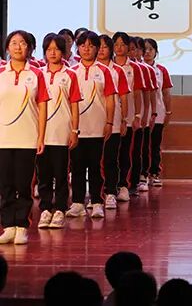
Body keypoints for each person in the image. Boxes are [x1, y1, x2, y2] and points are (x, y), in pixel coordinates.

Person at [0, 30, 49, 246]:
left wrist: (41, 136)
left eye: (22, 43)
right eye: (13, 43)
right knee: (5, 185)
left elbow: (42, 106)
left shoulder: (36, 74)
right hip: (3, 138)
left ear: (29, 48)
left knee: (23, 184)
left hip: (27, 137)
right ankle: (8, 227)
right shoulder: (1, 73)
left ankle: (21, 226)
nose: (18, 47)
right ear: (7, 47)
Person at [37, 33, 83, 228]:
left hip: (62, 132)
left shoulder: (70, 74)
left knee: (61, 174)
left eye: (56, 49)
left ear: (63, 52)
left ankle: (60, 210)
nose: (52, 53)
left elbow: (74, 105)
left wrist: (74, 130)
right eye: (49, 49)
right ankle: (45, 209)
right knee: (43, 174)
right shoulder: (38, 74)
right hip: (41, 134)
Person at [94, 34, 129, 209]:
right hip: (91, 123)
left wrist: (123, 120)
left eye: (105, 46)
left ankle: (110, 193)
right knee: (93, 161)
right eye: (98, 46)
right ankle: (94, 196)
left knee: (110, 159)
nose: (101, 50)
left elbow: (123, 97)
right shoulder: (88, 69)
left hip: (113, 121)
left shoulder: (117, 71)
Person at [111, 31, 146, 199]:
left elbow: (138, 93)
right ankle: (111, 187)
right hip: (110, 118)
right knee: (111, 154)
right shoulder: (107, 66)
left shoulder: (135, 68)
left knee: (126, 152)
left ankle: (125, 185)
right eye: (116, 44)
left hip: (129, 117)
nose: (119, 48)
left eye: (123, 45)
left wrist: (138, 115)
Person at [143, 38, 172, 187]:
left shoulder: (161, 70)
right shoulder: (138, 68)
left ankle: (154, 173)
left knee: (155, 144)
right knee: (142, 145)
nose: (147, 52)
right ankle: (142, 174)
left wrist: (168, 112)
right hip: (141, 113)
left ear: (156, 52)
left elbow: (166, 93)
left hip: (158, 113)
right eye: (145, 49)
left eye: (151, 49)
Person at [129, 37, 157, 193]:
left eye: (136, 48)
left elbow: (149, 95)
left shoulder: (144, 69)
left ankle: (141, 176)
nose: (133, 51)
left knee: (141, 148)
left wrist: (148, 114)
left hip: (139, 117)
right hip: (123, 117)